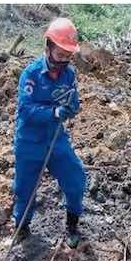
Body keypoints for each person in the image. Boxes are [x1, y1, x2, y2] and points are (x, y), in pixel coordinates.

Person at [12, 17, 85, 248]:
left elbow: (73, 101)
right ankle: (21, 229)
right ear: (48, 47)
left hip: (56, 140)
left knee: (76, 180)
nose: (63, 61)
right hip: (30, 142)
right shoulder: (31, 75)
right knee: (25, 189)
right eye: (60, 54)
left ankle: (72, 225)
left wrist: (72, 108)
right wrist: (54, 113)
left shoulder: (69, 75)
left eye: (68, 56)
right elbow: (25, 110)